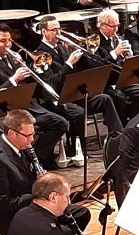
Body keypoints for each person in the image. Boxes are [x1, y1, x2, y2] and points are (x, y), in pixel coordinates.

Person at [0, 109, 90, 235]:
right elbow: (1, 204)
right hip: (16, 217)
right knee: (60, 232)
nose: (31, 140)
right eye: (28, 135)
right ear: (12, 133)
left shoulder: (22, 147)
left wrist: (42, 182)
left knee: (82, 214)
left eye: (33, 135)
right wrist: (39, 196)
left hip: (34, 208)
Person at [0, 22, 67, 169]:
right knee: (19, 133)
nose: (8, 45)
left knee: (60, 123)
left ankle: (35, 158)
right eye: (3, 41)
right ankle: (27, 162)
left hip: (24, 107)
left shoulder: (13, 58)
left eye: (9, 40)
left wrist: (31, 67)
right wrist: (13, 79)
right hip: (1, 113)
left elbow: (32, 85)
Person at [36, 15, 123, 162]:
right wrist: (69, 64)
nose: (59, 33)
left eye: (59, 29)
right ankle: (77, 149)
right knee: (79, 113)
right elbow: (51, 83)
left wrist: (83, 52)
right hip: (57, 99)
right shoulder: (40, 55)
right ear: (44, 32)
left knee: (105, 99)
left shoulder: (63, 48)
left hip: (74, 93)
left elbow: (89, 67)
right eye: (54, 30)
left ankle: (118, 138)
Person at [94, 8, 139, 121]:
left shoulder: (117, 38)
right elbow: (99, 66)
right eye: (113, 26)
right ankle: (123, 126)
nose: (116, 29)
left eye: (117, 25)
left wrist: (129, 58)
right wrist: (115, 53)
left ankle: (134, 120)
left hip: (122, 79)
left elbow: (124, 64)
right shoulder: (95, 42)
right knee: (120, 98)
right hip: (107, 83)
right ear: (102, 26)